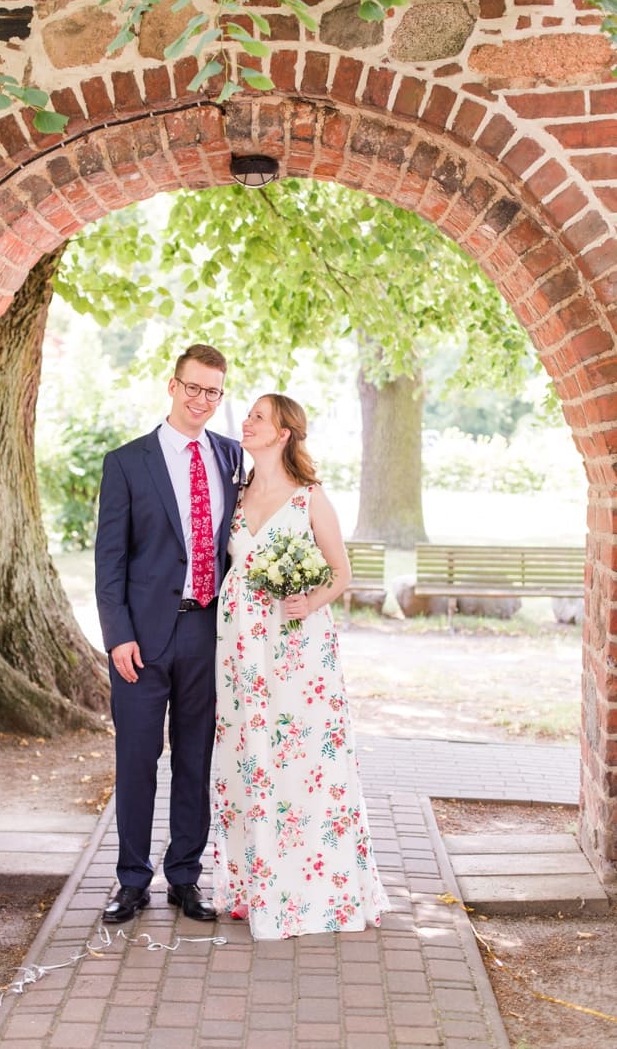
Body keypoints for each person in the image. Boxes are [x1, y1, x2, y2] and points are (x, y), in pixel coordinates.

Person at [211, 394, 391, 939]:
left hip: (297, 650)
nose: (247, 422)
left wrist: (307, 602)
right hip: (240, 644)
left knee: (303, 758)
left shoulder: (310, 498)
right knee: (248, 756)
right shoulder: (235, 494)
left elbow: (341, 574)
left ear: (285, 432)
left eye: (259, 417)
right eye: (248, 415)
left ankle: (313, 889)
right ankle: (253, 883)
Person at [94, 343, 243, 924]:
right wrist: (117, 636)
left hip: (208, 632)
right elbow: (109, 561)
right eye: (194, 387)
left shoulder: (232, 459)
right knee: (136, 760)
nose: (202, 400)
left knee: (195, 759)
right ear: (172, 385)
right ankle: (132, 880)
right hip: (141, 639)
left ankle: (186, 876)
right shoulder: (128, 462)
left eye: (214, 391)